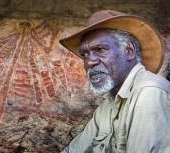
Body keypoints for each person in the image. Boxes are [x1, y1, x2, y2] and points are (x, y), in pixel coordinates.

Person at [59, 10, 170, 153]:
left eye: (100, 49)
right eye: (85, 54)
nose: (89, 62)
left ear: (129, 51)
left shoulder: (149, 93)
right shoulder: (107, 105)